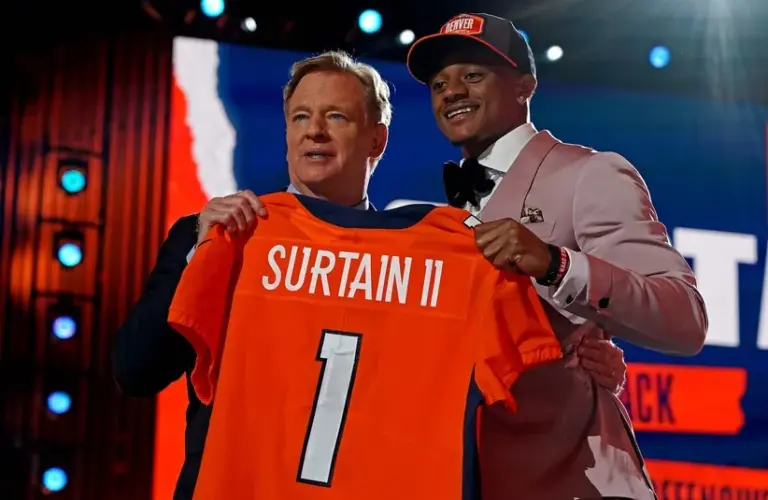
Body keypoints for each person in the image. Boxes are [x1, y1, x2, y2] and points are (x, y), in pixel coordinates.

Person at [112, 50, 628, 499]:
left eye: (335, 116)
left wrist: (582, 364)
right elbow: (135, 371)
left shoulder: (448, 255)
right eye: (300, 117)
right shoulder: (227, 233)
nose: (313, 131)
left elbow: (516, 389)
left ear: (377, 140)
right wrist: (198, 252)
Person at [403, 12, 709, 500]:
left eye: (473, 75)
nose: (452, 91)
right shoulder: (442, 215)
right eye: (440, 82)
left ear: (525, 86)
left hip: (577, 481)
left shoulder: (590, 173)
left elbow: (684, 319)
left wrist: (556, 264)